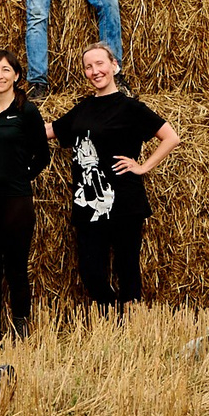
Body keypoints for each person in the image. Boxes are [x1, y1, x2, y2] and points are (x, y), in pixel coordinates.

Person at [51, 45, 181, 313]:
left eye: (100, 64)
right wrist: (9, 121)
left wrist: (144, 166)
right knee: (91, 271)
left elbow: (171, 137)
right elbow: (50, 131)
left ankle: (128, 329)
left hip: (124, 201)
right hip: (88, 203)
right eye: (88, 67)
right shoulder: (83, 109)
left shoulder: (130, 108)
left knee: (126, 267)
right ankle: (114, 317)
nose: (94, 71)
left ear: (114, 66)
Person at [0, 49, 52, 339]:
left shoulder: (27, 111)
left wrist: (19, 177)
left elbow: (42, 155)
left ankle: (20, 325)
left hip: (16, 200)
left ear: (16, 76)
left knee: (16, 266)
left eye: (5, 70)